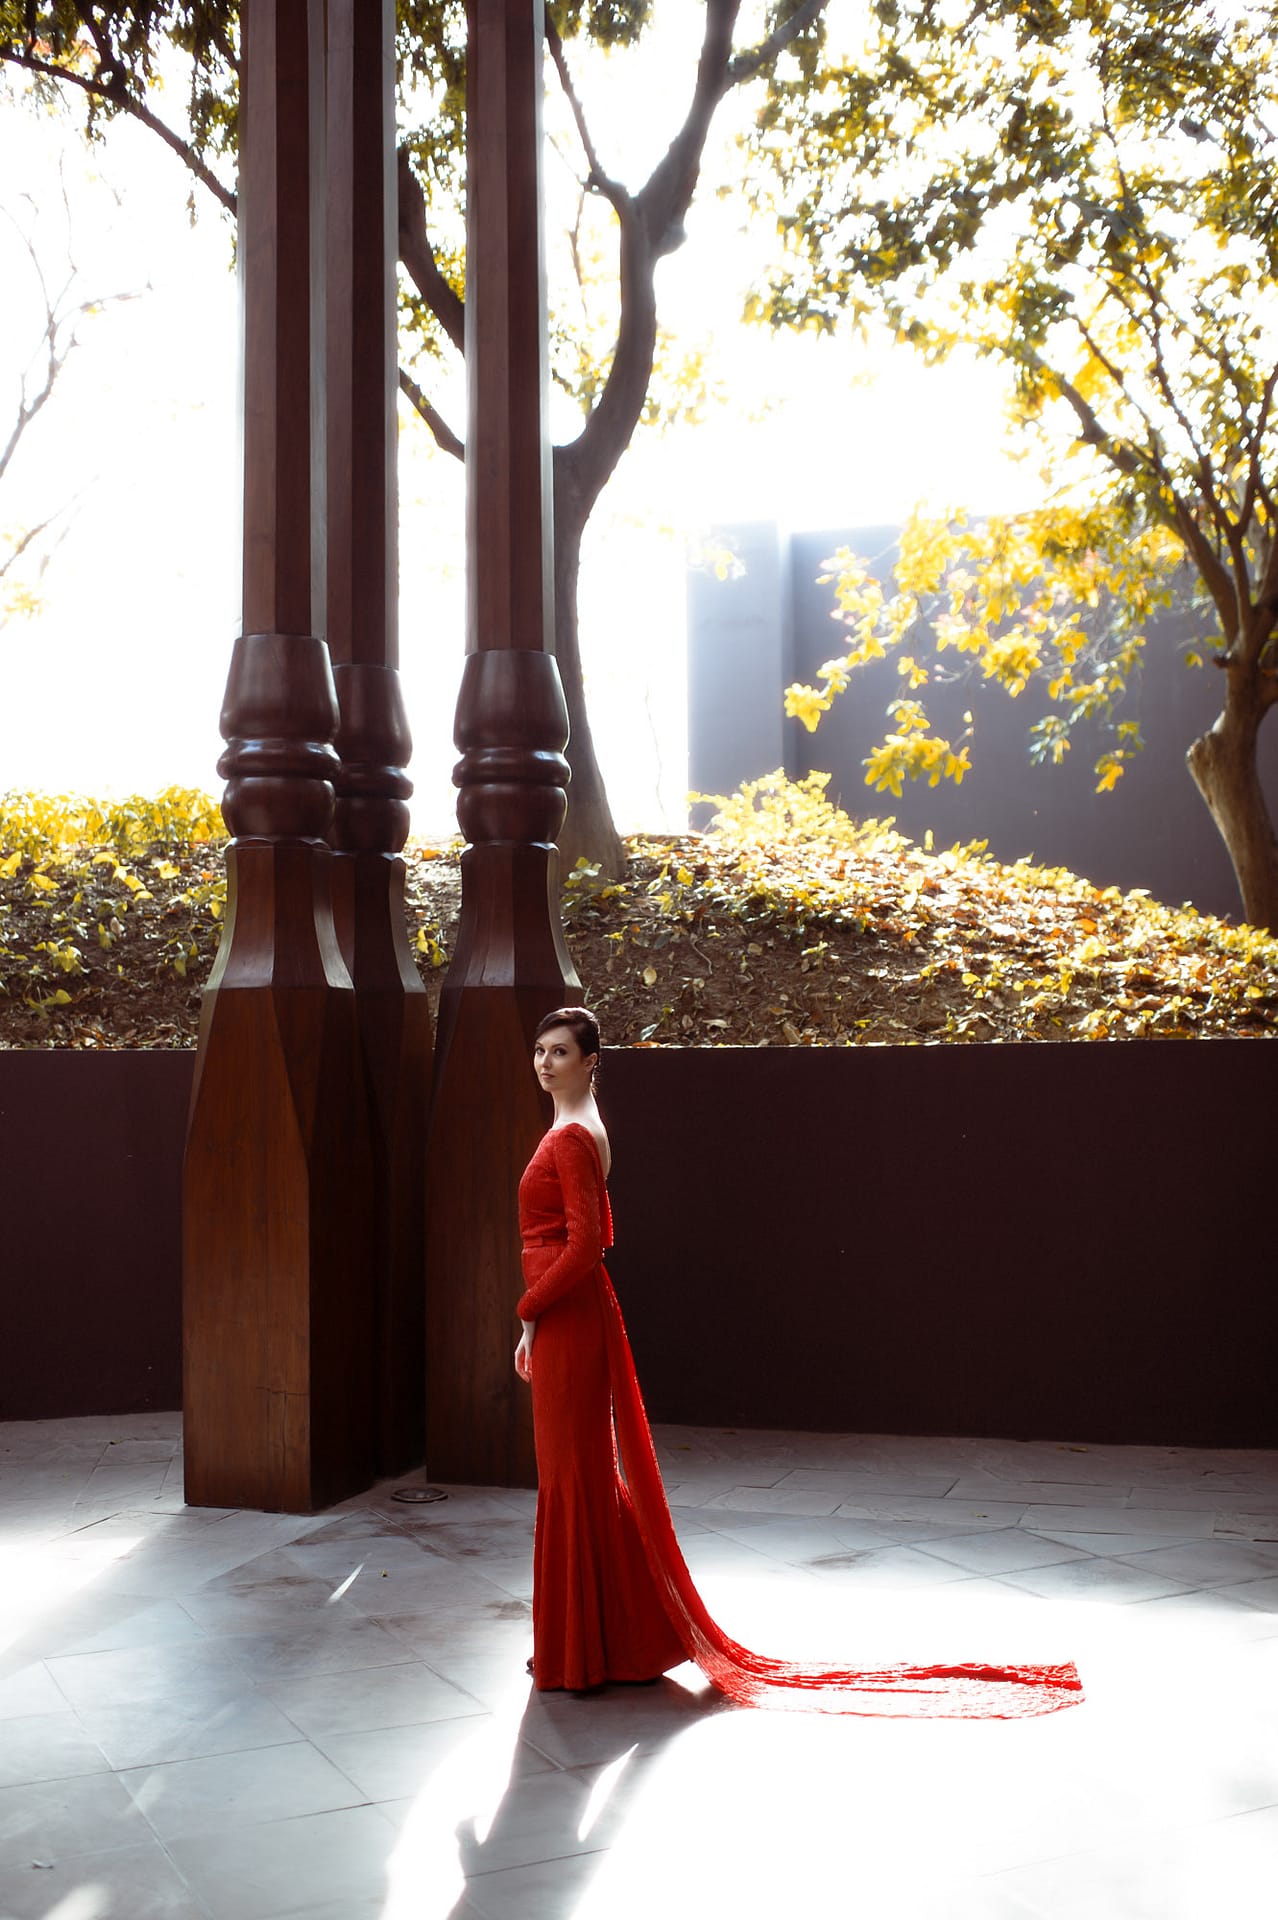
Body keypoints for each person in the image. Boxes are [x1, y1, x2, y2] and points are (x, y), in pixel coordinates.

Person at [515, 1006, 1082, 1718]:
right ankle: (609, 1643)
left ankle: (591, 1649)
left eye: (559, 1052)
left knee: (573, 1477)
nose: (544, 1063)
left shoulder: (572, 1136)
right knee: (582, 1478)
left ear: (591, 1060)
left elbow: (588, 1245)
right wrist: (537, 1317)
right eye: (539, 1051)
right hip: (565, 1316)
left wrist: (528, 1311)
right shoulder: (577, 1128)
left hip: (566, 1317)